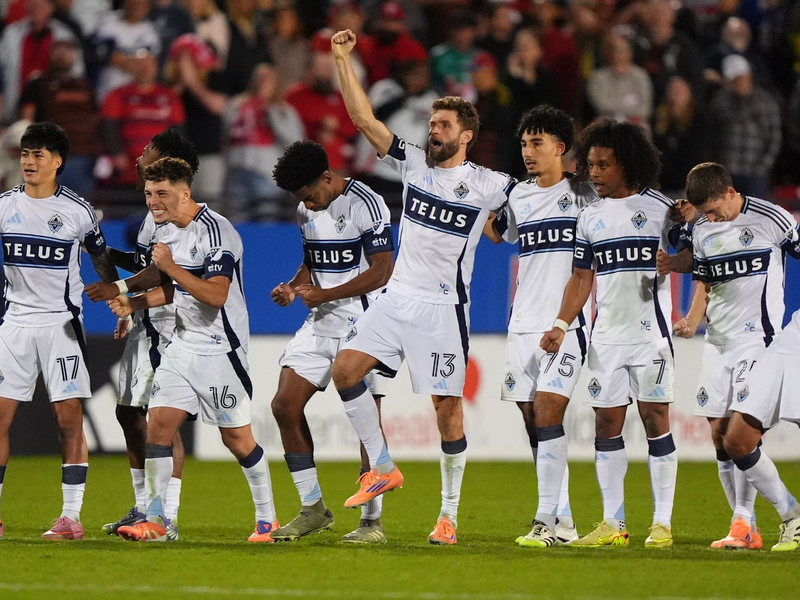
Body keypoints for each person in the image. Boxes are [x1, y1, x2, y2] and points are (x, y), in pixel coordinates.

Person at [331, 28, 515, 545]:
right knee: (345, 371)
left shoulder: (490, 185)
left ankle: (448, 516)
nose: (432, 131)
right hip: (395, 299)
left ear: (466, 136)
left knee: (447, 410)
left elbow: (536, 202)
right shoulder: (413, 163)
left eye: (443, 125)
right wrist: (343, 58)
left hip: (442, 308)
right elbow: (363, 119)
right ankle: (383, 465)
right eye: (431, 123)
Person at [88, 157, 278, 542]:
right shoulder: (166, 230)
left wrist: (171, 266)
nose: (153, 202)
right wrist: (132, 301)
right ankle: (160, 522)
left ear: (185, 192)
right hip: (181, 345)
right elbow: (175, 288)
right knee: (158, 426)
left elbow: (215, 294)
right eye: (147, 194)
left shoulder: (218, 232)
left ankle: (267, 519)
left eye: (162, 194)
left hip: (221, 350)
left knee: (237, 440)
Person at [540, 119, 692, 549]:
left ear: (626, 165)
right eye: (589, 165)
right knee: (606, 423)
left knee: (654, 420)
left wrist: (678, 259)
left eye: (602, 165)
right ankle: (614, 524)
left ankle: (661, 523)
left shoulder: (664, 210)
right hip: (606, 338)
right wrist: (560, 324)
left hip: (651, 338)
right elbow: (580, 278)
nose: (593, 173)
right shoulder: (589, 217)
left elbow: (696, 255)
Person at [269, 140, 394, 544]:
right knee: (284, 406)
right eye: (302, 200)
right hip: (321, 320)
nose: (310, 204)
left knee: (365, 420)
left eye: (312, 195)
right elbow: (312, 263)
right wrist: (293, 287)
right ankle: (312, 509)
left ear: (327, 177)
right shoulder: (307, 207)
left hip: (366, 322)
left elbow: (383, 271)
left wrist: (325, 294)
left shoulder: (367, 204)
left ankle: (371, 523)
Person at [0, 121, 118, 540]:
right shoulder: (4, 206)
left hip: (60, 325)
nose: (29, 161)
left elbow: (101, 260)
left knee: (67, 421)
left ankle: (70, 517)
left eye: (38, 155)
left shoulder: (77, 211)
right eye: (26, 154)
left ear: (57, 162)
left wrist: (117, 295)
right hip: (14, 324)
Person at [483, 105, 595, 547]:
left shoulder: (587, 194)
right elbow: (499, 233)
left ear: (560, 148)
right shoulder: (519, 196)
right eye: (525, 144)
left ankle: (544, 521)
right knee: (533, 420)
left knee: (549, 412)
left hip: (566, 323)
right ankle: (563, 519)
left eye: (537, 143)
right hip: (522, 322)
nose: (528, 152)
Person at [674, 162, 800, 550]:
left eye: (714, 209)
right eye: (704, 213)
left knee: (739, 437)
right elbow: (704, 278)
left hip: (757, 341)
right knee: (718, 435)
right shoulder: (701, 227)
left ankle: (780, 516)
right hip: (717, 342)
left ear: (730, 192)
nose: (710, 218)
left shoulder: (771, 218)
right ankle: (744, 526)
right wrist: (693, 319)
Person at [100, 127, 200, 541]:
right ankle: (142, 506)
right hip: (145, 323)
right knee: (128, 413)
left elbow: (160, 272)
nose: (140, 153)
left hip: (167, 324)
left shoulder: (176, 213)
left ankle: (165, 514)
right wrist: (102, 255)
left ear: (165, 158)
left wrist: (123, 289)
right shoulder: (152, 208)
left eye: (148, 149)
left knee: (163, 419)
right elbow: (145, 262)